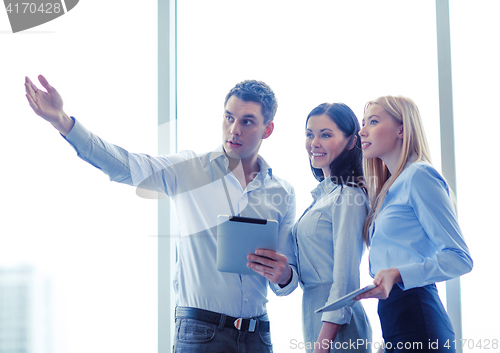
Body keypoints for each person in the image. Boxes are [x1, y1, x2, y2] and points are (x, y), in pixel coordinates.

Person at [25, 75, 298, 353]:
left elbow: (287, 282)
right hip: (201, 334)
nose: (234, 129)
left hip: (258, 337)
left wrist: (284, 274)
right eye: (229, 118)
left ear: (268, 129)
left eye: (247, 121)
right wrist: (62, 121)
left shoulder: (283, 192)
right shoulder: (190, 170)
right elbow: (125, 165)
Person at [355, 95, 473, 352]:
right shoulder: (388, 189)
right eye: (362, 123)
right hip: (395, 318)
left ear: (401, 129)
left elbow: (460, 257)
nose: (362, 131)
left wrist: (397, 273)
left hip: (418, 315)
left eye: (372, 122)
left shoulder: (419, 175)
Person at [291, 103, 372, 353]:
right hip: (315, 315)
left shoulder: (349, 194)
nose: (314, 143)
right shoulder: (323, 197)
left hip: (338, 325)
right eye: (309, 134)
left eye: (325, 134)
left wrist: (323, 343)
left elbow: (346, 277)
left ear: (351, 142)